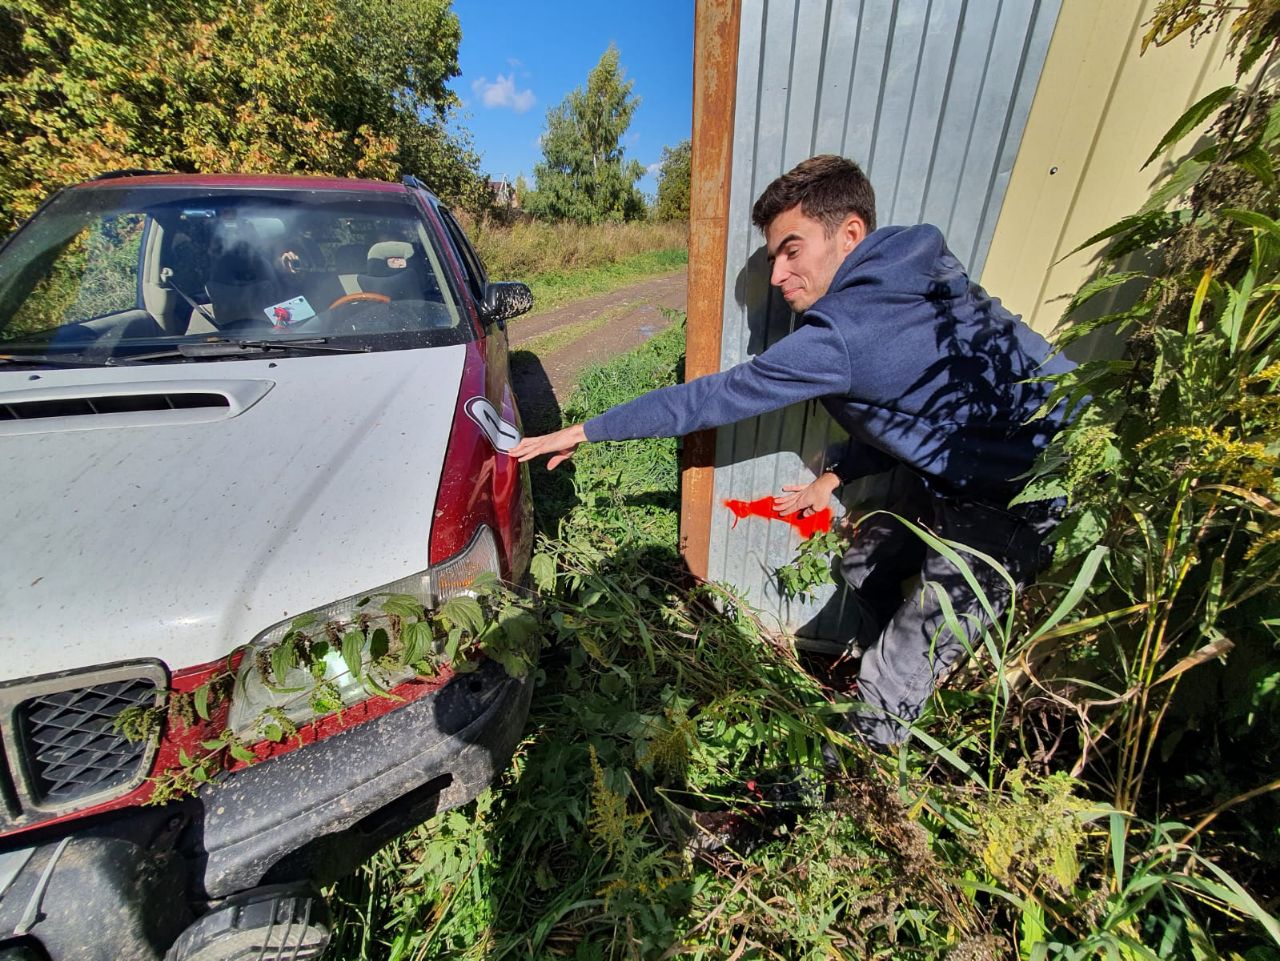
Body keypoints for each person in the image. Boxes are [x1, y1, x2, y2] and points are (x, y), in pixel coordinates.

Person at [510, 155, 1075, 750]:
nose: (778, 275)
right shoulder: (919, 264)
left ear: (850, 233)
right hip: (971, 468)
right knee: (864, 571)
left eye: (792, 250)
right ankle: (896, 694)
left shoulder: (842, 335)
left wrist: (584, 431)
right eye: (775, 255)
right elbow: (917, 398)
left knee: (898, 670)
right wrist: (838, 476)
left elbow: (710, 398)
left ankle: (863, 770)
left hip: (1018, 498)